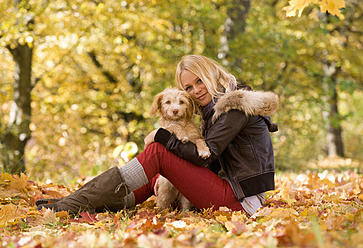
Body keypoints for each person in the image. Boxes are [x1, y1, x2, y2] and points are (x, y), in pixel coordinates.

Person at [36, 55, 278, 216]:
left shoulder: (234, 105)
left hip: (241, 201)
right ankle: (76, 203)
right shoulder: (211, 109)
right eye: (189, 88)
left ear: (211, 73)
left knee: (158, 152)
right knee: (154, 177)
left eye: (199, 81)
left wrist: (162, 137)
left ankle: (71, 205)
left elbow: (206, 156)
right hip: (231, 189)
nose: (196, 90)